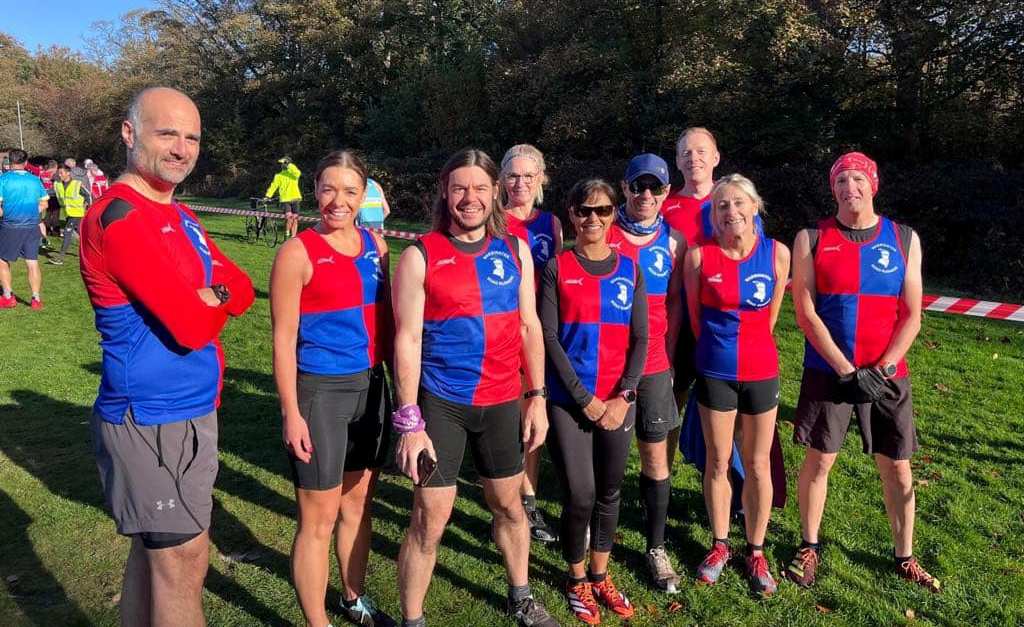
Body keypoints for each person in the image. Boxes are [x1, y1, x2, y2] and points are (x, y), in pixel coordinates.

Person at [79, 86, 255, 627]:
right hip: (149, 418)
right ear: (129, 134)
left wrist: (209, 295)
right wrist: (205, 300)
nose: (182, 148)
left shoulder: (183, 216)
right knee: (181, 563)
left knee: (154, 556)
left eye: (192, 137)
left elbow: (242, 286)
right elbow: (188, 326)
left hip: (195, 409)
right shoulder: (120, 217)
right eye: (168, 134)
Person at [391, 148, 558, 627]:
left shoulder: (516, 250)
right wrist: (410, 422)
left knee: (510, 506)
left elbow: (528, 326)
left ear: (495, 192)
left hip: (503, 400)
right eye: (460, 188)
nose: (471, 198)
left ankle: (521, 597)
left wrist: (537, 397)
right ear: (445, 192)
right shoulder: (420, 255)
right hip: (443, 403)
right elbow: (408, 339)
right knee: (430, 519)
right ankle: (413, 620)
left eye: (480, 188)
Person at [785, 152, 940, 592]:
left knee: (898, 468)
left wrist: (884, 367)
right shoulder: (811, 237)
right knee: (820, 461)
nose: (849, 187)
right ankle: (809, 545)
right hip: (829, 370)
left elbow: (912, 314)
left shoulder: (904, 238)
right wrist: (845, 369)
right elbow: (806, 312)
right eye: (840, 180)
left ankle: (905, 556)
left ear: (873, 184)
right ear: (832, 188)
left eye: (857, 178)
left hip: (887, 374)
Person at [270, 149, 396, 627]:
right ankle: (317, 622)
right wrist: (291, 411)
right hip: (320, 393)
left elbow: (390, 322)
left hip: (372, 387)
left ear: (364, 196)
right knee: (318, 519)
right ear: (315, 192)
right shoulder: (296, 252)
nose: (338, 201)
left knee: (358, 506)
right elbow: (283, 340)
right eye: (328, 189)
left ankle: (352, 598)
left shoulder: (377, 246)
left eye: (349, 191)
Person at [541, 178, 647, 625]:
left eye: (602, 210)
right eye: (584, 210)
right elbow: (549, 338)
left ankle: (600, 575)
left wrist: (624, 396)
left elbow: (641, 339)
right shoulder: (557, 267)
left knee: (609, 492)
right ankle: (576, 578)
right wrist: (585, 399)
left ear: (612, 214)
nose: (593, 218)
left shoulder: (630, 268)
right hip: (570, 401)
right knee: (581, 494)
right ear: (572, 214)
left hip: (617, 401)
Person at [682, 174, 790, 595]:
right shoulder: (698, 257)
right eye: (722, 205)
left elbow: (772, 315)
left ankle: (756, 549)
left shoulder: (777, 254)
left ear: (754, 207)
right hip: (715, 371)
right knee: (718, 460)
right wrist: (720, 352)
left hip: (761, 371)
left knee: (759, 463)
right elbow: (695, 319)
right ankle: (720, 544)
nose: (731, 211)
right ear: (714, 215)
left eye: (738, 203)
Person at [605, 153, 684, 593]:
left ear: (666, 192)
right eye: (638, 186)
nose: (646, 195)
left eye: (655, 187)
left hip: (653, 366)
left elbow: (675, 303)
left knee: (655, 457)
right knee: (608, 459)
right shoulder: (603, 231)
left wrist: (668, 359)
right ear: (625, 187)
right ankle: (598, 541)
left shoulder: (674, 242)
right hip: (609, 366)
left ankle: (656, 547)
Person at [499, 144, 562, 545]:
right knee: (508, 416)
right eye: (512, 175)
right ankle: (505, 495)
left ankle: (527, 498)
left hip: (539, 329)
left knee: (532, 413)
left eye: (528, 175)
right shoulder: (494, 219)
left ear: (541, 178)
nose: (520, 183)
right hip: (503, 328)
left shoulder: (551, 223)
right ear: (502, 180)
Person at [0, 149, 49, 310]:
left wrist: (5, 213)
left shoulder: (3, 180)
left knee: (2, 260)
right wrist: (32, 213)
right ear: (26, 162)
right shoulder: (35, 180)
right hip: (31, 225)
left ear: (10, 162)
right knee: (32, 262)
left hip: (11, 225)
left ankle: (8, 297)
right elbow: (44, 203)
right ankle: (36, 299)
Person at [50, 163, 92, 265]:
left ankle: (60, 258)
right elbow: (51, 192)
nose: (59, 175)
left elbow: (88, 196)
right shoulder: (58, 185)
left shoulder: (77, 184)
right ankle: (91, 251)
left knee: (67, 232)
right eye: (58, 173)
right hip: (68, 214)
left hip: (77, 213)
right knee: (82, 234)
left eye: (61, 173)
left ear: (68, 173)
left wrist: (89, 208)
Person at [266, 156, 304, 239]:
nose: (282, 165)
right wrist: (268, 196)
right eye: (282, 164)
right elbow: (273, 186)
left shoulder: (293, 174)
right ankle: (286, 235)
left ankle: (293, 237)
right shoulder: (278, 176)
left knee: (295, 219)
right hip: (285, 200)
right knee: (289, 218)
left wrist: (289, 165)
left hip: (296, 198)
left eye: (284, 163)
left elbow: (297, 172)